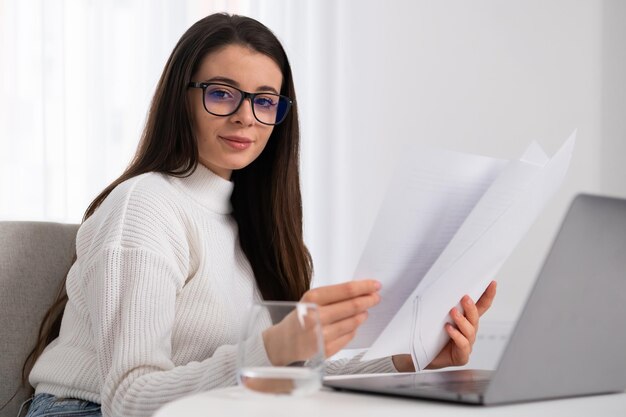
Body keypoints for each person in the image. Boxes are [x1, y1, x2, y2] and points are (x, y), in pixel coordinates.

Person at [20, 13, 497, 417]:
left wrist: (413, 362)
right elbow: (129, 399)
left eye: (264, 101)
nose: (246, 116)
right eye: (223, 93)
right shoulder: (145, 205)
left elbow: (291, 370)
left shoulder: (249, 226)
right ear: (181, 98)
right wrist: (272, 350)